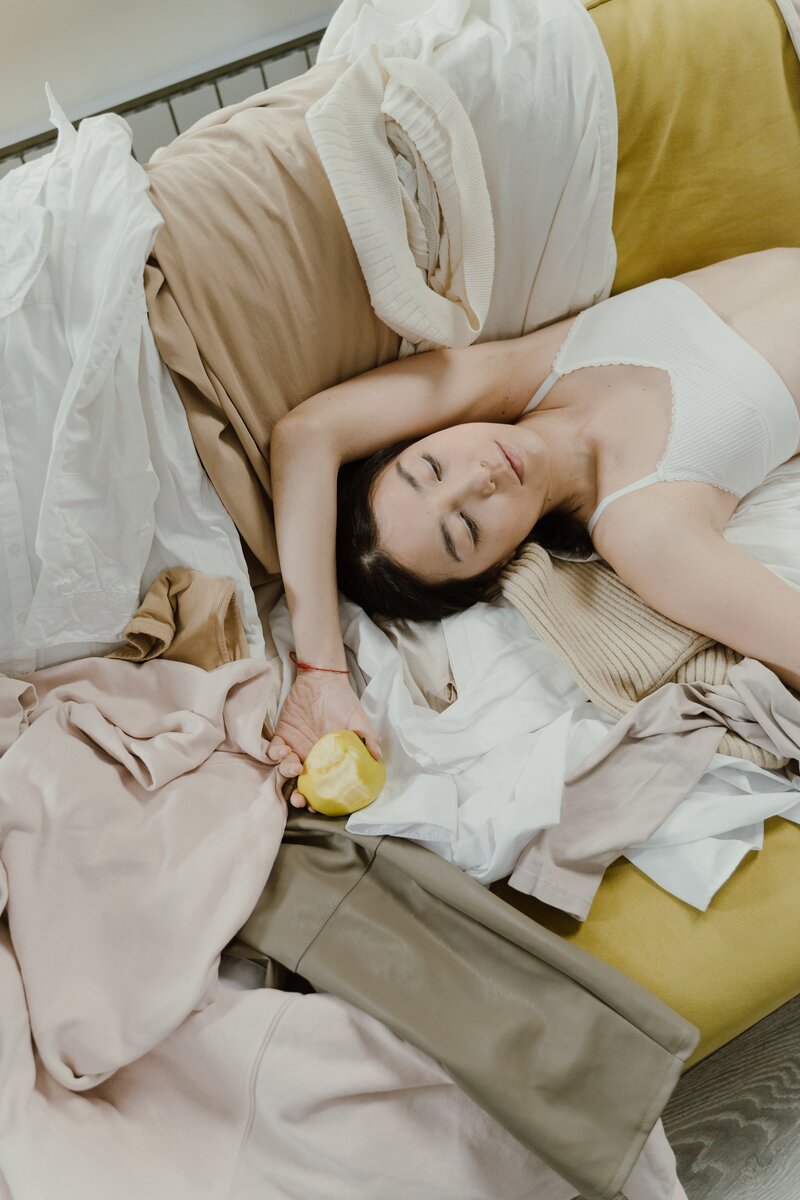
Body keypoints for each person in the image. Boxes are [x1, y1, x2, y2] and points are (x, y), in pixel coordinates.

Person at [266, 248, 800, 803]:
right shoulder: (645, 530)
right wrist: (328, 686)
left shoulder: (519, 373)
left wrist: (319, 666)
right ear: (501, 565)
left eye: (431, 467)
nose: (481, 477)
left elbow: (308, 435)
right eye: (467, 528)